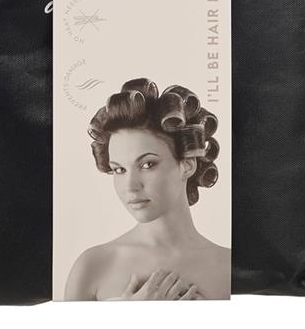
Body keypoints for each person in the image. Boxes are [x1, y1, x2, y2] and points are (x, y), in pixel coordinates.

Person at [64, 78, 231, 301]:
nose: (130, 186)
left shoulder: (228, 267)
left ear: (187, 165)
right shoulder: (92, 267)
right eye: (119, 169)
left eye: (147, 164)